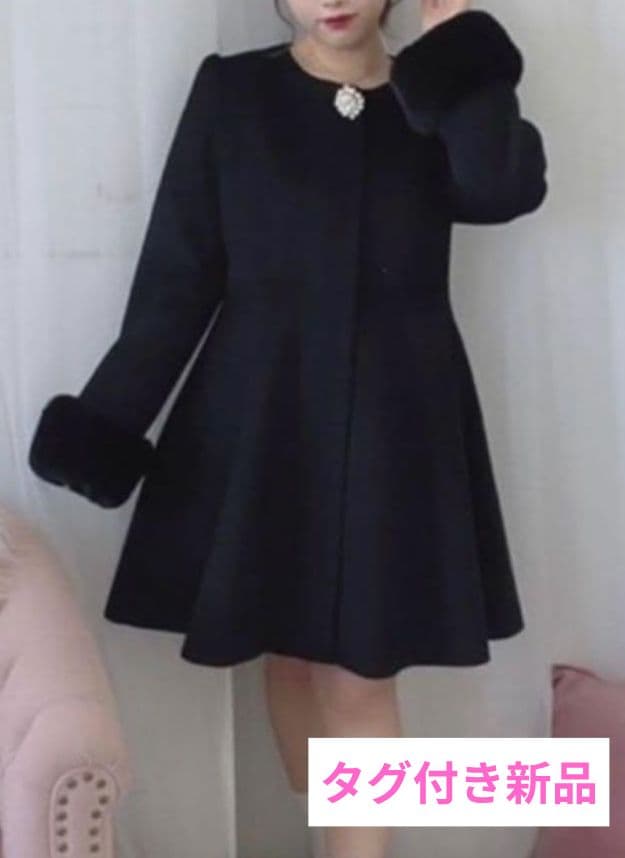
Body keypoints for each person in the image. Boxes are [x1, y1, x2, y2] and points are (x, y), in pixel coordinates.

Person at [27, 1, 548, 855]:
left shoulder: (434, 93)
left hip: (396, 419)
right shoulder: (234, 93)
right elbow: (180, 271)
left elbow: (503, 189)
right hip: (264, 414)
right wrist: (110, 419)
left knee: (361, 676)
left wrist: (458, 55)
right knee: (293, 655)